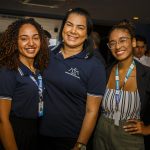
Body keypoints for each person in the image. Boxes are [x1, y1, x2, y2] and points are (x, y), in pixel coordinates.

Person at [39, 8, 106, 150]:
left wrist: (80, 144)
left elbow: (92, 111)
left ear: (87, 34)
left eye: (80, 27)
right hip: (38, 132)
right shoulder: (47, 54)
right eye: (69, 24)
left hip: (69, 138)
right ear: (63, 27)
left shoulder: (95, 66)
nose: (73, 31)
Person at [93, 20, 150, 150]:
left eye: (123, 40)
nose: (118, 46)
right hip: (101, 132)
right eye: (112, 43)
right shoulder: (105, 72)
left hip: (130, 137)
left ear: (133, 42)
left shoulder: (146, 75)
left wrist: (147, 129)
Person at [0, 18, 49, 150]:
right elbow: (2, 119)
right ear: (15, 42)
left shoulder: (39, 69)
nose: (31, 43)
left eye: (35, 38)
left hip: (36, 130)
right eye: (24, 38)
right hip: (16, 131)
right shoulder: (8, 71)